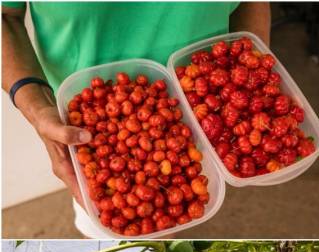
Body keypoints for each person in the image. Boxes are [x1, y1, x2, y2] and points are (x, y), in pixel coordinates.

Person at [2, 1, 270, 237]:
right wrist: (37, 108)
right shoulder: (115, 171)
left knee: (170, 214)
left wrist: (249, 76)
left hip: (212, 112)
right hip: (88, 130)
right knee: (115, 235)